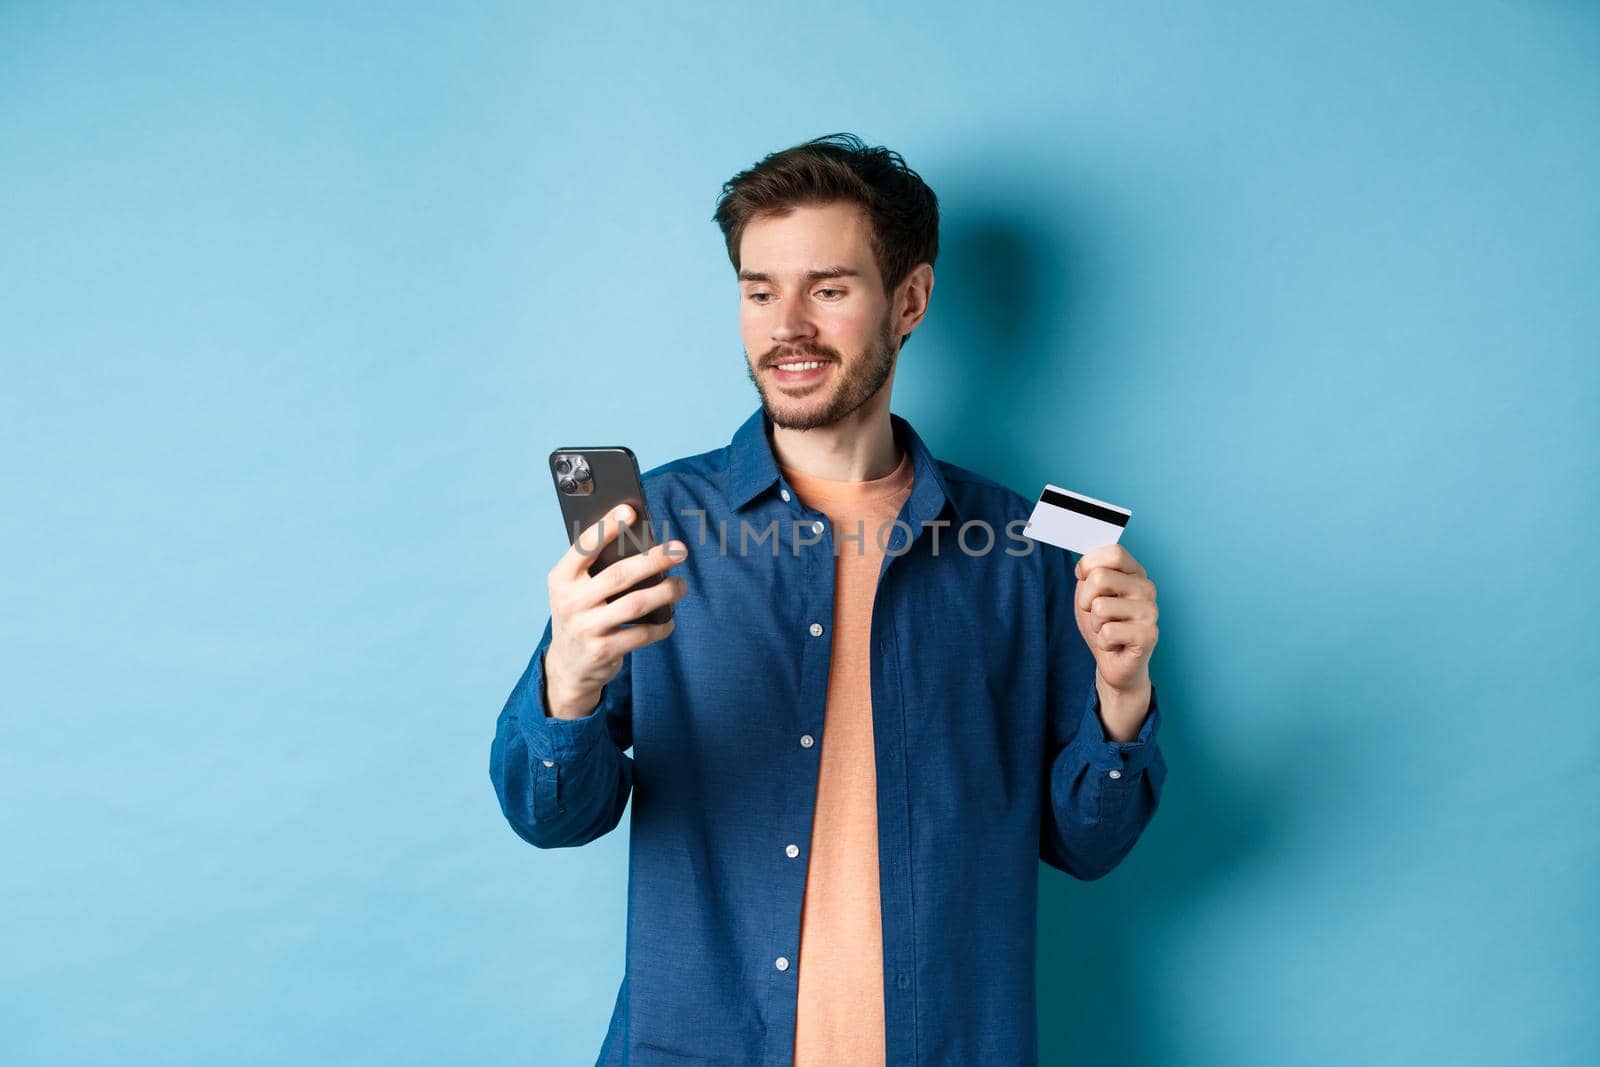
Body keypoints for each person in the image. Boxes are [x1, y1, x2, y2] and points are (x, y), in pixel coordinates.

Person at [489, 133, 1167, 1066]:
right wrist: (568, 683)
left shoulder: (1026, 549)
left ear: (911, 301)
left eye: (829, 289)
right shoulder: (647, 522)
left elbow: (1087, 845)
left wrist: (1122, 701)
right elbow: (549, 814)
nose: (786, 326)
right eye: (760, 290)